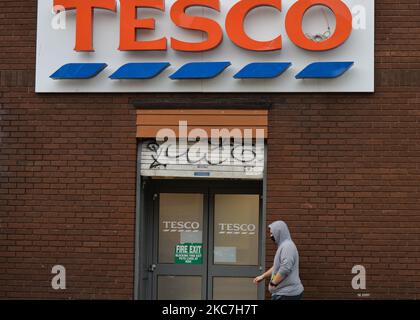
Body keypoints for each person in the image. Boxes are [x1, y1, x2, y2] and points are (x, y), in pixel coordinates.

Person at [253, 220, 304, 300]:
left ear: (279, 232)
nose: (271, 236)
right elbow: (277, 267)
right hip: (283, 294)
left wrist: (273, 283)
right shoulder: (283, 246)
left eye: (272, 233)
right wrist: (263, 276)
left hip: (287, 295)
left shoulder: (287, 246)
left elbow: (285, 268)